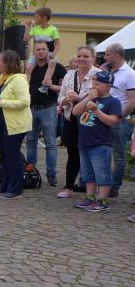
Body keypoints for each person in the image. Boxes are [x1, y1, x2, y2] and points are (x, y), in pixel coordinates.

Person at [72, 71, 122, 213]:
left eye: (98, 84)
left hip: (100, 144)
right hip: (84, 142)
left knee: (102, 174)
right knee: (88, 174)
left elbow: (112, 121)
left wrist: (96, 110)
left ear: (108, 86)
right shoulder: (90, 97)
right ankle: (90, 197)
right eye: (93, 83)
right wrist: (88, 98)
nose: (94, 86)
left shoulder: (113, 102)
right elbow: (75, 111)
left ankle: (102, 201)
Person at [0, 51, 31, 199]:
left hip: (14, 124)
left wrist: (0, 102)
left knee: (12, 155)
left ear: (8, 63)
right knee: (4, 156)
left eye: (0, 60)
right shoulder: (0, 79)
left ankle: (15, 189)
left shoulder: (18, 80)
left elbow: (25, 102)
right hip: (0, 122)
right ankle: (5, 185)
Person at [57, 46, 100, 198]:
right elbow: (60, 97)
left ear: (93, 58)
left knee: (91, 154)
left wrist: (80, 98)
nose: (81, 59)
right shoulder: (69, 74)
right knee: (72, 153)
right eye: (79, 56)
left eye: (86, 56)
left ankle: (93, 189)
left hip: (90, 120)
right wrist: (65, 100)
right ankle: (69, 187)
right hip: (70, 118)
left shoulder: (99, 75)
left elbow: (102, 97)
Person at [25, 41, 66, 187]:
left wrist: (51, 86)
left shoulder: (57, 67)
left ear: (48, 51)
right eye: (38, 49)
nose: (41, 51)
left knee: (50, 143)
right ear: (34, 52)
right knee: (30, 141)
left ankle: (51, 174)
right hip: (31, 108)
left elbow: (65, 88)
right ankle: (31, 172)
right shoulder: (30, 67)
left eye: (43, 49)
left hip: (48, 108)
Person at [103, 43, 135, 197]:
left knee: (118, 156)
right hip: (104, 119)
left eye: (107, 54)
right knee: (104, 153)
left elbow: (132, 101)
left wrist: (118, 118)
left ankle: (114, 186)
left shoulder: (130, 74)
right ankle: (104, 183)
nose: (105, 57)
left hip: (120, 121)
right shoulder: (108, 71)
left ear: (116, 55)